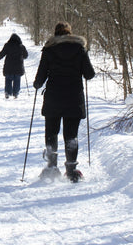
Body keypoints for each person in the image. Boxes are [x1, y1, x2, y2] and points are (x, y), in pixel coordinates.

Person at [33, 21, 95, 182]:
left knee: (51, 133)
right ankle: (72, 170)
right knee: (71, 135)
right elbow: (89, 74)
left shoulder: (49, 49)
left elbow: (41, 75)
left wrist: (37, 84)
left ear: (55, 34)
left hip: (54, 96)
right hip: (74, 97)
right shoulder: (80, 49)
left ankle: (52, 167)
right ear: (70, 33)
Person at [0, 33, 28, 99]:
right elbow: (26, 55)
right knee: (17, 80)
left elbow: (2, 53)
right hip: (18, 67)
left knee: (8, 80)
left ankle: (7, 92)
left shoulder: (7, 45)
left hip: (8, 67)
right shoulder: (21, 46)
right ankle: (16, 93)